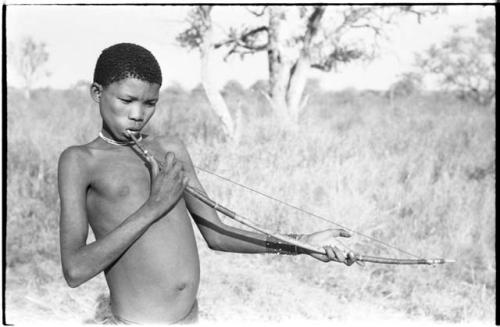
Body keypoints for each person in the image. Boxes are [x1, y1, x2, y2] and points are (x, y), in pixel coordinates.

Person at [58, 43, 355, 325]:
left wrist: (302, 244)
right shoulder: (81, 161)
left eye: (150, 103)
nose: (138, 115)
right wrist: (153, 207)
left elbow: (219, 235)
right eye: (126, 100)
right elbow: (75, 270)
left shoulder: (171, 148)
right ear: (97, 92)